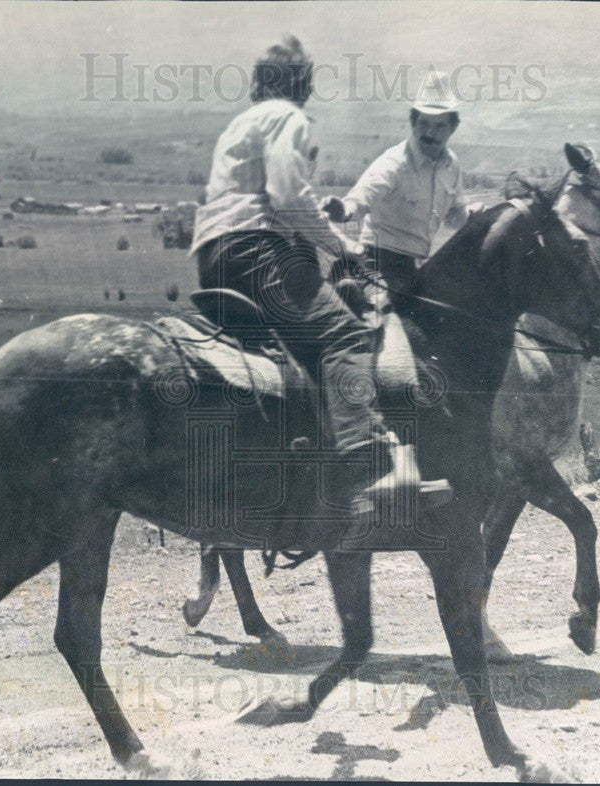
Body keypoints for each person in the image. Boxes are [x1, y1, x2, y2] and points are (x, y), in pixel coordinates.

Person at [189, 36, 449, 520]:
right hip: (258, 251)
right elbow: (288, 195)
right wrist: (343, 246)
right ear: (302, 85)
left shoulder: (240, 124)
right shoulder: (288, 119)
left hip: (214, 255)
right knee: (344, 335)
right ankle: (370, 472)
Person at [321, 71, 486, 296]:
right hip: (377, 266)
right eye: (423, 123)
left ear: (453, 128)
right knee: (392, 330)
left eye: (439, 126)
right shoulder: (395, 162)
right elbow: (363, 195)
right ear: (413, 122)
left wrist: (470, 213)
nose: (429, 133)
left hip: (418, 270)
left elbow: (453, 217)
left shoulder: (451, 165)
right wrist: (344, 210)